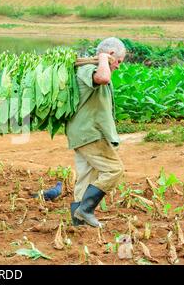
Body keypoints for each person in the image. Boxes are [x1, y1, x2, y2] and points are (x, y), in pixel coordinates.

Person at [66, 37, 126, 228]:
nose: (118, 66)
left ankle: (78, 222)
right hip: (89, 133)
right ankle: (86, 210)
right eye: (119, 61)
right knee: (114, 169)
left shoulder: (90, 67)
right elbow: (102, 78)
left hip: (83, 133)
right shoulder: (88, 69)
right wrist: (102, 59)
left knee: (86, 176)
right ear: (111, 55)